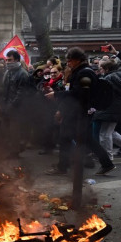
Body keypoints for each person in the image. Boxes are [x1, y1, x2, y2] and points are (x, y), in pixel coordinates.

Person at [46, 47, 115, 176]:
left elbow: (81, 94)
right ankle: (104, 163)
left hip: (78, 112)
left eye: (70, 60)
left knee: (67, 138)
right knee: (83, 139)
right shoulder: (80, 71)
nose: (68, 63)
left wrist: (57, 95)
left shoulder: (84, 73)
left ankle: (64, 166)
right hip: (76, 110)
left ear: (78, 60)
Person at [93, 59, 121, 160]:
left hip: (109, 107)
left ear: (107, 69)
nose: (100, 71)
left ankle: (107, 158)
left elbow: (103, 94)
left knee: (105, 134)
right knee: (110, 131)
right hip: (118, 107)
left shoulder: (108, 78)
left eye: (101, 69)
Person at [0, 50, 34, 156]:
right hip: (6, 107)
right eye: (6, 60)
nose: (8, 62)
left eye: (10, 60)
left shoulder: (23, 74)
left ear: (17, 60)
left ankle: (15, 151)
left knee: (15, 131)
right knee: (6, 130)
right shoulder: (7, 72)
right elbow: (4, 90)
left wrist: (11, 106)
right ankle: (9, 149)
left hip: (16, 109)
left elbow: (21, 93)